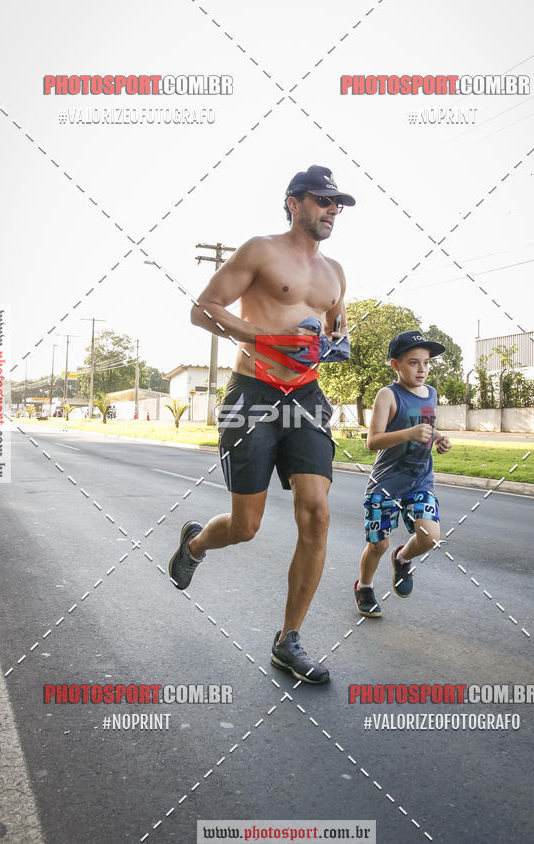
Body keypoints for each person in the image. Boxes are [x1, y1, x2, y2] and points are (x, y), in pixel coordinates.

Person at [169, 165, 356, 684]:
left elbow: (337, 337)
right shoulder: (260, 250)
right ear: (294, 202)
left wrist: (330, 347)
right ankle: (195, 543)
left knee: (316, 515)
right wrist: (267, 339)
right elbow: (202, 310)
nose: (332, 210)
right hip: (250, 393)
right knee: (246, 526)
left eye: (337, 203)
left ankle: (287, 640)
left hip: (307, 397)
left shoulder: (336, 272)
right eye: (323, 201)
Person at [354, 331, 452, 617]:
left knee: (430, 536)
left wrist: (439, 439)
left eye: (426, 363)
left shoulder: (431, 393)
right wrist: (409, 433)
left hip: (419, 479)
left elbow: (425, 429)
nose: (422, 369)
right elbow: (372, 441)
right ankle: (365, 587)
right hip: (385, 483)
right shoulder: (388, 395)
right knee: (378, 543)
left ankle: (403, 557)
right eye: (413, 363)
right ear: (395, 365)